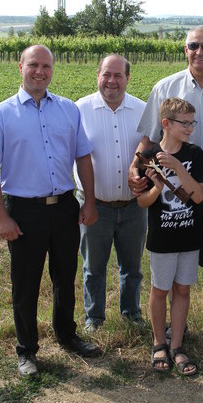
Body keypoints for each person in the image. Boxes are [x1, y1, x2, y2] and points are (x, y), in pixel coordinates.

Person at [0, 45, 101, 377]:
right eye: (33, 65)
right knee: (25, 283)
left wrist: (90, 201)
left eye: (46, 66)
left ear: (53, 70)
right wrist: (2, 218)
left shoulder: (68, 110)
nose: (40, 71)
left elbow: (83, 157)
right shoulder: (1, 115)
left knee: (65, 277)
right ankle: (27, 350)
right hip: (24, 212)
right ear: (20, 67)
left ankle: (67, 335)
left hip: (65, 207)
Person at [128, 26, 203, 349]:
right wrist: (133, 169)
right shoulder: (165, 87)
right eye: (194, 46)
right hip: (172, 187)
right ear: (185, 49)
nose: (200, 52)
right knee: (172, 255)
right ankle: (168, 331)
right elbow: (149, 138)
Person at [74, 54, 147, 331]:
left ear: (128, 78)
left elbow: (150, 152)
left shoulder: (142, 110)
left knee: (132, 267)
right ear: (97, 75)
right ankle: (94, 317)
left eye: (118, 75)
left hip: (133, 206)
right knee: (94, 267)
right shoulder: (79, 110)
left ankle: (131, 313)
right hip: (95, 205)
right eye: (107, 74)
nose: (112, 81)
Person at [137, 98, 203, 375]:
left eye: (192, 122)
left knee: (183, 289)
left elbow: (199, 196)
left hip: (189, 235)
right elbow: (143, 202)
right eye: (185, 123)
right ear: (166, 124)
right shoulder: (148, 155)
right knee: (160, 289)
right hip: (162, 237)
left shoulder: (194, 154)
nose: (190, 128)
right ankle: (158, 342)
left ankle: (177, 345)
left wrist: (178, 168)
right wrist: (155, 188)